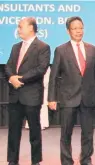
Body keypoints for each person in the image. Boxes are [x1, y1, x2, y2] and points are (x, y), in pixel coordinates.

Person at [48, 16, 95, 165]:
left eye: (80, 28)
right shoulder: (61, 50)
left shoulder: (92, 49)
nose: (78, 31)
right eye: (75, 28)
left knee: (88, 133)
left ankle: (86, 160)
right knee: (66, 133)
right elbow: (53, 76)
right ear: (68, 31)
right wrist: (51, 98)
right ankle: (67, 161)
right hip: (68, 98)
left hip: (88, 97)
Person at [5, 17, 50, 165]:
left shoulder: (43, 47)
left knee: (34, 132)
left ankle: (35, 160)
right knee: (13, 131)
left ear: (31, 28)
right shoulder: (15, 47)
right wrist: (11, 77)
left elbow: (40, 69)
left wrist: (20, 79)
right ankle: (12, 160)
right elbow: (8, 66)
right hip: (15, 95)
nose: (18, 29)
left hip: (31, 95)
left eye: (20, 27)